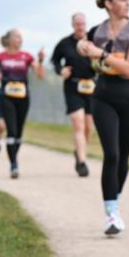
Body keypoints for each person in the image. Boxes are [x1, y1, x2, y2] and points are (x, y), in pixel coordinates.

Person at [77, 0, 129, 236]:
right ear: (109, 4)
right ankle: (111, 214)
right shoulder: (97, 31)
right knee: (112, 154)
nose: (128, 3)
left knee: (124, 155)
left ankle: (114, 200)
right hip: (103, 98)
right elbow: (83, 47)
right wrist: (82, 47)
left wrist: (101, 54)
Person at [0, 29, 45, 179]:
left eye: (21, 37)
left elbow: (40, 75)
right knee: (12, 130)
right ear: (9, 40)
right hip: (6, 97)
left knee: (19, 133)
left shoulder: (27, 56)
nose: (20, 40)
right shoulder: (0, 57)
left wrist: (41, 61)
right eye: (17, 37)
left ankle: (14, 157)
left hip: (23, 97)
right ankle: (13, 164)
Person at [52, 12, 97, 177]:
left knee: (89, 127)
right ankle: (82, 162)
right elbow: (55, 60)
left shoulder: (93, 41)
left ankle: (78, 152)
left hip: (91, 87)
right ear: (73, 25)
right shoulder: (64, 43)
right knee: (78, 123)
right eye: (78, 24)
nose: (81, 27)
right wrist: (60, 70)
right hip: (73, 86)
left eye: (83, 24)